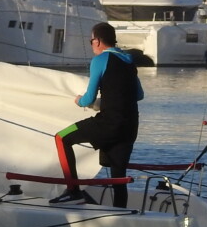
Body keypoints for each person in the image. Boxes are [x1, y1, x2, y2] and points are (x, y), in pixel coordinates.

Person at [52, 22, 144, 207]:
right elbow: (139, 95)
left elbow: (88, 98)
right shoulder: (128, 60)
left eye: (91, 40)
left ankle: (73, 191)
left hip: (108, 123)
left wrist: (80, 101)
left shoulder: (100, 60)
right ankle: (121, 214)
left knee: (61, 138)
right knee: (119, 177)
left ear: (98, 40)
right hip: (130, 127)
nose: (91, 44)